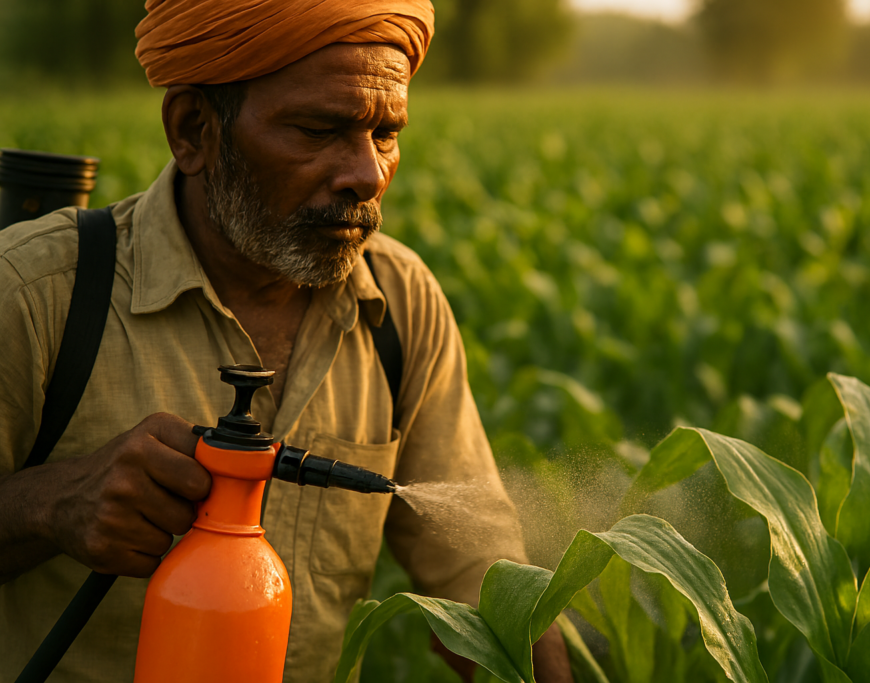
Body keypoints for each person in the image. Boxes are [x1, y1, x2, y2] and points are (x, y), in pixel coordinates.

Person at [0, 1, 573, 681]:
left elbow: (481, 575)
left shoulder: (401, 306)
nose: (366, 173)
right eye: (319, 129)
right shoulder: (39, 294)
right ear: (193, 131)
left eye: (386, 133)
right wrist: (49, 506)